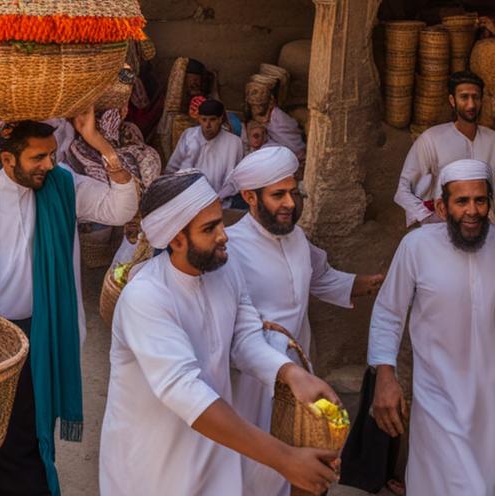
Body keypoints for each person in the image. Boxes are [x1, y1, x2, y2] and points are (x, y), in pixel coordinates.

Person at [0, 113, 138, 494]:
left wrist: (100, 143)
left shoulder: (63, 186)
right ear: (8, 160)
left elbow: (120, 208)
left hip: (41, 333)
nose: (49, 164)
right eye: (38, 158)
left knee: (26, 433)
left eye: (51, 155)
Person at [99, 172, 342, 495]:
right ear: (176, 239)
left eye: (220, 223)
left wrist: (291, 373)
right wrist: (284, 459)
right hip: (155, 460)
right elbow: (186, 391)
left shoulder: (224, 270)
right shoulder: (146, 297)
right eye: (209, 228)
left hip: (216, 443)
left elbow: (245, 337)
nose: (223, 235)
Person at [224, 146, 384, 496]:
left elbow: (321, 276)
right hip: (254, 377)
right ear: (250, 197)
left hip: (300, 367)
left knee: (301, 459)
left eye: (293, 192)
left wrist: (366, 284)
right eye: (278, 194)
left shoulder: (295, 237)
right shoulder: (232, 247)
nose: (290, 203)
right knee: (255, 465)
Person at [370, 158, 495, 494]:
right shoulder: (417, 247)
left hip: (490, 400)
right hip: (438, 398)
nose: (472, 210)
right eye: (462, 201)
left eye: (480, 200)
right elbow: (387, 313)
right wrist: (385, 376)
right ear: (441, 206)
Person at [394, 70, 495, 226]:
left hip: (486, 231)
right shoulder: (431, 139)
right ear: (452, 100)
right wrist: (427, 217)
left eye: (475, 97)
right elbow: (403, 190)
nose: (471, 104)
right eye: (464, 97)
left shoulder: (492, 140)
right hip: (444, 229)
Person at [166, 98, 243, 199]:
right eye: (204, 120)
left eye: (212, 120)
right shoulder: (189, 135)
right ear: (199, 119)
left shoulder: (234, 143)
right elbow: (172, 168)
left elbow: (236, 180)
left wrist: (217, 198)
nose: (208, 125)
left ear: (220, 119)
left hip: (219, 202)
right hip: (185, 199)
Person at [244, 78, 304, 158]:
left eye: (260, 105)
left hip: (291, 152)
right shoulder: (252, 117)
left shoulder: (279, 117)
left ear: (270, 101)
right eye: (253, 105)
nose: (256, 108)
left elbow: (292, 139)